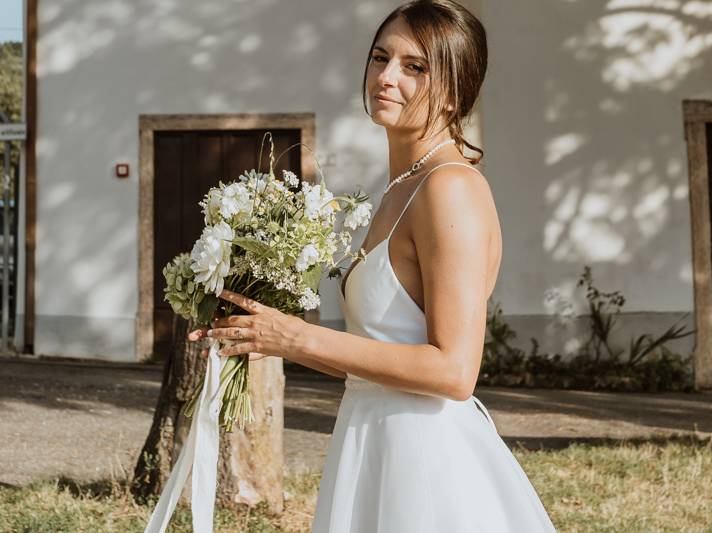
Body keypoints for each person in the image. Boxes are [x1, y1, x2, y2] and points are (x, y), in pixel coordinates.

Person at [190, 1, 556, 530]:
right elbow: (378, 359)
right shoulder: (399, 191)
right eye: (380, 58)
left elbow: (455, 372)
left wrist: (297, 339)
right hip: (371, 441)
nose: (386, 77)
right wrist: (257, 334)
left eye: (415, 67)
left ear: (456, 89)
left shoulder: (450, 188)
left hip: (424, 466)